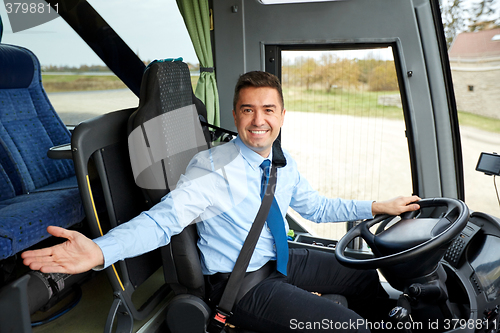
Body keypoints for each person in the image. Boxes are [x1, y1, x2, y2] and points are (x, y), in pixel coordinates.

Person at [23, 71, 420, 332]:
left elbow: (315, 207)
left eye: (268, 110)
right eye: (248, 110)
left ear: (282, 115)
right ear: (235, 114)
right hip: (243, 284)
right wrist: (99, 251)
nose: (258, 120)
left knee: (363, 273)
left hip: (280, 260)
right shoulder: (213, 171)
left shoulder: (280, 161)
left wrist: (375, 207)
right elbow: (163, 220)